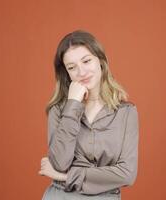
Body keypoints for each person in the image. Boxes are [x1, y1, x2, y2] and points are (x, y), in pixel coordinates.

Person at [39, 30, 139, 200]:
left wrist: (66, 177)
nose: (81, 71)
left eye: (86, 61)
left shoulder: (126, 112)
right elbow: (60, 163)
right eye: (72, 67)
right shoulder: (58, 110)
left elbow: (127, 174)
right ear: (67, 73)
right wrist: (73, 105)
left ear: (100, 61)